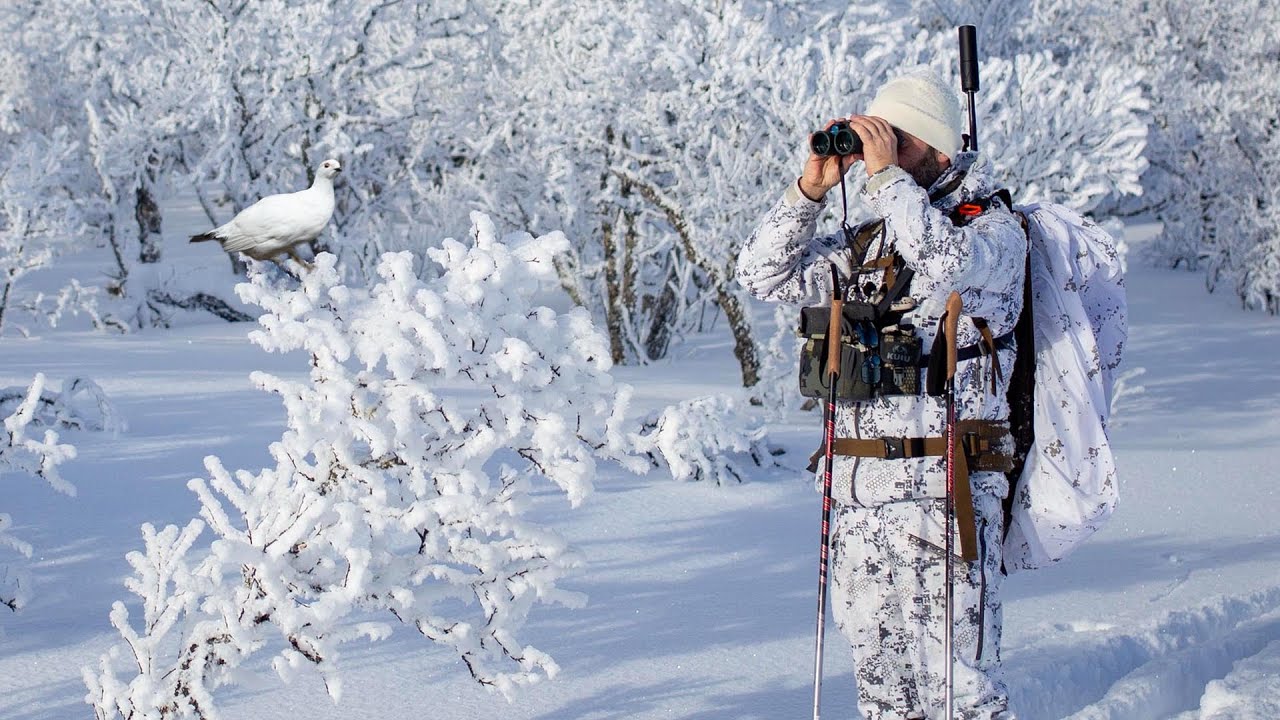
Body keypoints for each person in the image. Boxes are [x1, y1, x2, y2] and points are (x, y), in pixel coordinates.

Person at [736, 70, 1024, 719]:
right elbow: (761, 273)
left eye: (898, 140)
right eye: (876, 138)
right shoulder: (871, 247)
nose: (879, 151)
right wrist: (809, 191)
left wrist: (888, 180)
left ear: (942, 151)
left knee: (960, 696)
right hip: (862, 505)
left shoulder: (992, 234)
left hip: (944, 499)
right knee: (885, 699)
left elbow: (941, 261)